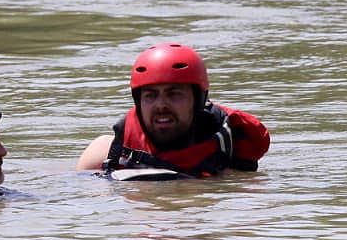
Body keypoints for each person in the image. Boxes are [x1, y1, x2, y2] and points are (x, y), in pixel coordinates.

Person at [76, 42, 269, 176]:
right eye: (150, 95)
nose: (161, 105)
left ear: (199, 100)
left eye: (174, 93)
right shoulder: (106, 152)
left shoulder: (230, 151)